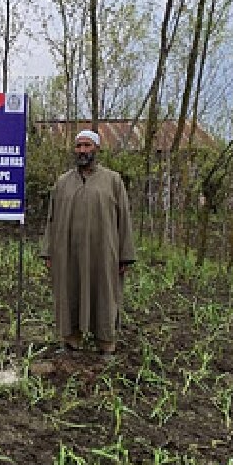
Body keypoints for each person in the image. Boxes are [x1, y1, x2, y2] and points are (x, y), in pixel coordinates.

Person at [40, 129, 136, 358]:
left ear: (97, 149)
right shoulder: (62, 183)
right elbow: (51, 219)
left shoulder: (112, 180)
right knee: (69, 293)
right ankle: (71, 342)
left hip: (103, 253)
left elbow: (124, 217)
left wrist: (125, 255)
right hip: (68, 253)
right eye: (79, 146)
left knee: (104, 295)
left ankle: (106, 343)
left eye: (87, 145)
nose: (82, 150)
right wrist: (49, 252)